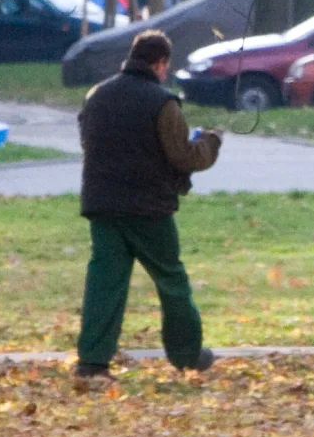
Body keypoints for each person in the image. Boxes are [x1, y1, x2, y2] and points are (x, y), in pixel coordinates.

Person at [74, 29, 223, 380]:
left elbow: (89, 142)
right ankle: (187, 354)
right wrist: (211, 142)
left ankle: (92, 363)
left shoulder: (97, 96)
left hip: (103, 205)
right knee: (172, 281)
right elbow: (183, 156)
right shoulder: (162, 102)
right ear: (160, 63)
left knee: (105, 284)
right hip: (148, 209)